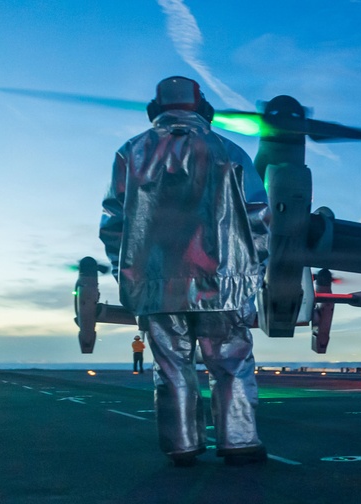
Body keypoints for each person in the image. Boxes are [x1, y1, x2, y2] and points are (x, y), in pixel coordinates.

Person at [100, 76, 270, 467]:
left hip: (153, 286)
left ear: (155, 108)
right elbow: (259, 220)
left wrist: (125, 274)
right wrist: (253, 272)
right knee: (231, 363)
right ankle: (239, 441)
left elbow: (114, 223)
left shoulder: (130, 153)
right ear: (203, 108)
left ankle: (182, 446)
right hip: (224, 284)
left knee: (171, 368)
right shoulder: (229, 151)